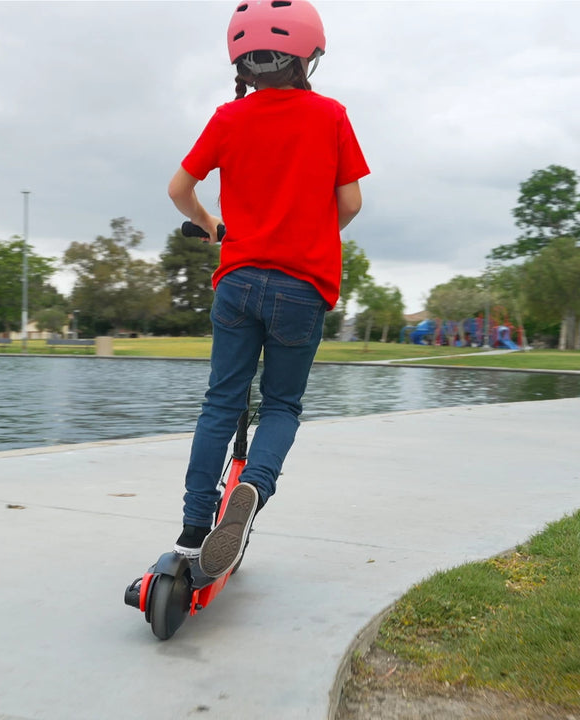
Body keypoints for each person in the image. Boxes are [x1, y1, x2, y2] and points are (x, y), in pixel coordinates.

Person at [168, 0, 370, 578]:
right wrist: (309, 233)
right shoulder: (330, 115)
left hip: (237, 281)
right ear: (309, 54)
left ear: (243, 63)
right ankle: (253, 485)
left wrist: (212, 226)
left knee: (220, 404)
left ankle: (190, 533)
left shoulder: (229, 119)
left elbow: (179, 187)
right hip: (302, 287)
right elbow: (350, 202)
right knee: (280, 404)